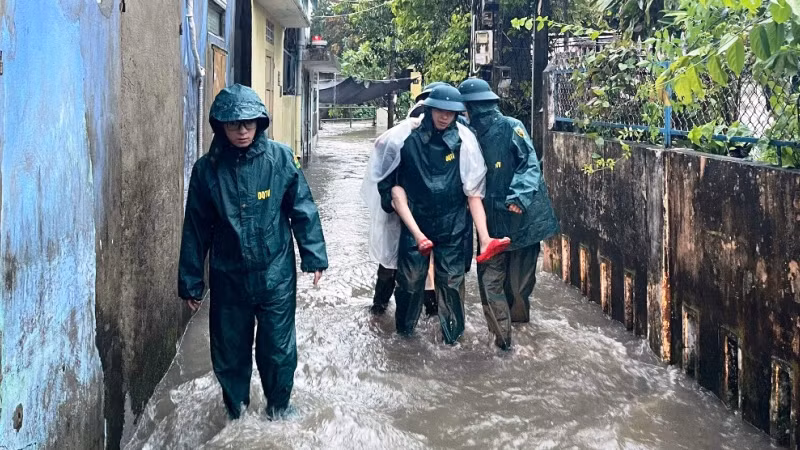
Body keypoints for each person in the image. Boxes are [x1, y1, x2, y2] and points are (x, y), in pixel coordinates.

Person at [178, 84, 328, 419]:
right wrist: (191, 282)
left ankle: (278, 409)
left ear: (260, 122)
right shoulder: (207, 170)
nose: (242, 131)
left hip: (275, 274)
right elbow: (196, 228)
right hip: (229, 276)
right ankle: (237, 415)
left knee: (278, 348)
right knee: (230, 351)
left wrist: (314, 255)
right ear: (221, 126)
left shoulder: (280, 159)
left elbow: (302, 208)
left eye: (249, 123)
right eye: (234, 125)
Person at [377, 85, 509, 344]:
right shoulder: (406, 138)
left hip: (453, 224)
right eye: (440, 110)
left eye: (451, 112)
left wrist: (484, 236)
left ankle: (453, 340)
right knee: (410, 282)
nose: (445, 117)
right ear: (429, 108)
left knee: (451, 283)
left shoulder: (465, 141)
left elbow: (473, 191)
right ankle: (404, 339)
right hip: (417, 222)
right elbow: (387, 181)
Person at [458, 78, 559, 351]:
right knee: (491, 284)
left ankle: (520, 331)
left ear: (472, 108)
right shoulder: (464, 135)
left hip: (522, 222)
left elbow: (529, 165)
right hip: (489, 225)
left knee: (517, 288)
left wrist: (519, 196)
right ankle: (503, 345)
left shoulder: (512, 127)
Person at [368, 81, 451, 318]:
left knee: (425, 266)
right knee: (390, 263)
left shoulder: (445, 136)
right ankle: (381, 309)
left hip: (425, 214)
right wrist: (391, 201)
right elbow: (384, 175)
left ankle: (428, 313)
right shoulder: (397, 137)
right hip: (398, 212)